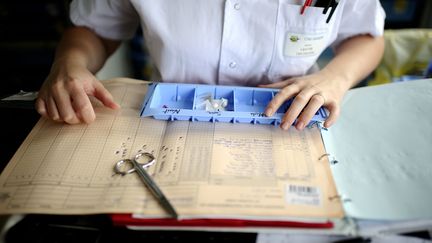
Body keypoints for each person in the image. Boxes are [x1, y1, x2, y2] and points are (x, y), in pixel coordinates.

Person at [35, 0, 385, 130]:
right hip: (167, 121)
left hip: (290, 122)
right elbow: (96, 28)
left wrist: (334, 78)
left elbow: (367, 34)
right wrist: (71, 62)